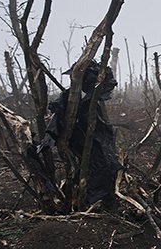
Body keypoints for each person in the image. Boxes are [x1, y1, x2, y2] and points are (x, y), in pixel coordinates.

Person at [35, 60, 122, 205]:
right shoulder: (71, 97)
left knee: (105, 166)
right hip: (82, 141)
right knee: (98, 167)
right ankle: (91, 198)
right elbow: (57, 119)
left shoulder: (90, 100)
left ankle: (98, 197)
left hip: (93, 141)